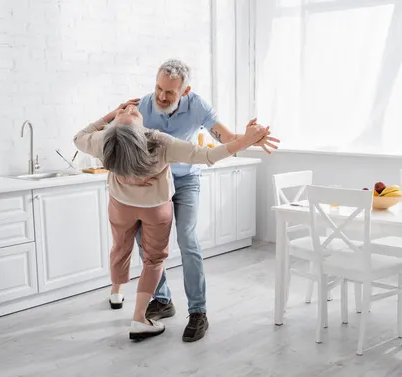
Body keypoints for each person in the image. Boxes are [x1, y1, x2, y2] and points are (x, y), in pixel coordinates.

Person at [73, 100, 270, 340]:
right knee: (153, 259)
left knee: (120, 247)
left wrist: (112, 114)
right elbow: (207, 155)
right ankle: (139, 318)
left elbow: (79, 137)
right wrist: (245, 141)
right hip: (155, 208)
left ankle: (117, 292)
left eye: (129, 110)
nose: (130, 109)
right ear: (138, 131)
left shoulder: (105, 140)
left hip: (122, 205)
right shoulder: (159, 141)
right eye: (130, 113)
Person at [136, 59, 280, 342]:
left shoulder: (197, 106)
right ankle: (162, 299)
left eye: (171, 93)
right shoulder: (143, 106)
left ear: (185, 91)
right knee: (145, 240)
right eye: (159, 88)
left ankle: (198, 312)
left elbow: (226, 138)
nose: (162, 97)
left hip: (186, 180)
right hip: (154, 182)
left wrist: (250, 138)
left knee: (187, 239)